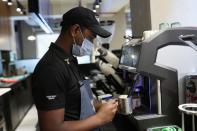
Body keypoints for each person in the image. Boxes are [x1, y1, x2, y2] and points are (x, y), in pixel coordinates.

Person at [32, 6, 119, 131]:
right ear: (75, 30)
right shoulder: (50, 69)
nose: (92, 43)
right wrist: (100, 118)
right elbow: (52, 128)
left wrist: (101, 106)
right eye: (90, 37)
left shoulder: (70, 60)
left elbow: (77, 100)